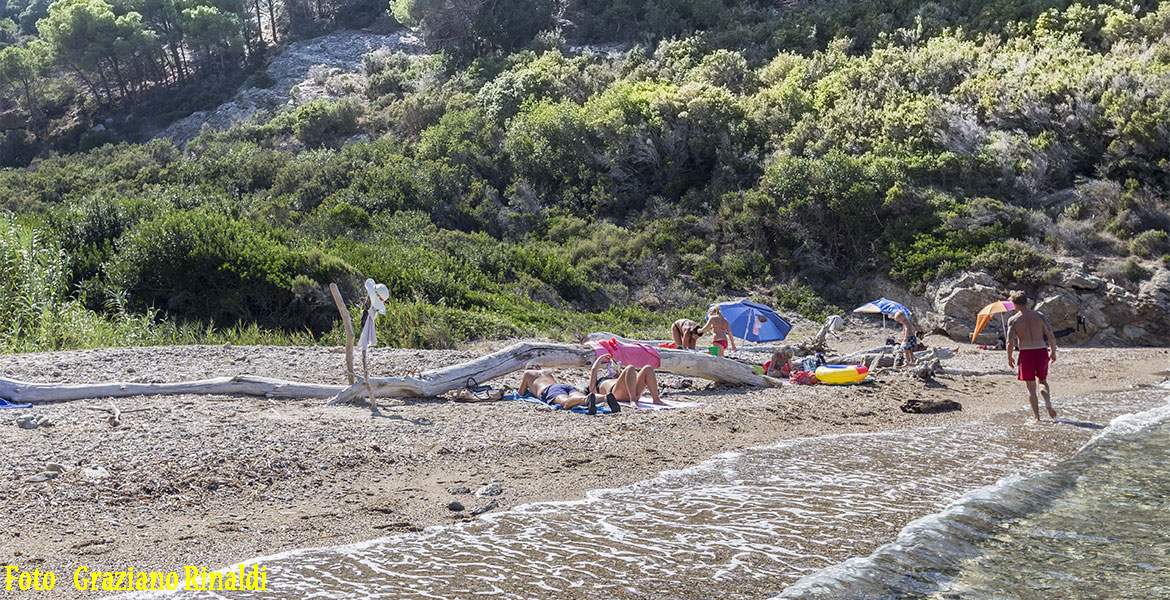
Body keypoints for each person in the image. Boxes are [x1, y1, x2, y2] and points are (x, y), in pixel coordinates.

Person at [1005, 291, 1058, 421]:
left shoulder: (1013, 320)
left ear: (1015, 304)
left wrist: (1009, 356)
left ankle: (1037, 417)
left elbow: (1009, 341)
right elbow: (1050, 335)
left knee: (1030, 387)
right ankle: (1047, 402)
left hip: (1026, 353)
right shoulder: (1040, 316)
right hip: (1041, 350)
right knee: (1043, 381)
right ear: (1026, 302)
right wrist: (1053, 351)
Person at [590, 354, 663, 407]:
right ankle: (633, 400)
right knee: (630, 368)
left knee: (648, 368)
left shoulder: (614, 378)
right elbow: (593, 369)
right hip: (617, 394)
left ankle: (656, 399)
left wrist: (620, 373)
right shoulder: (594, 387)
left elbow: (628, 379)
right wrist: (601, 357)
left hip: (631, 391)